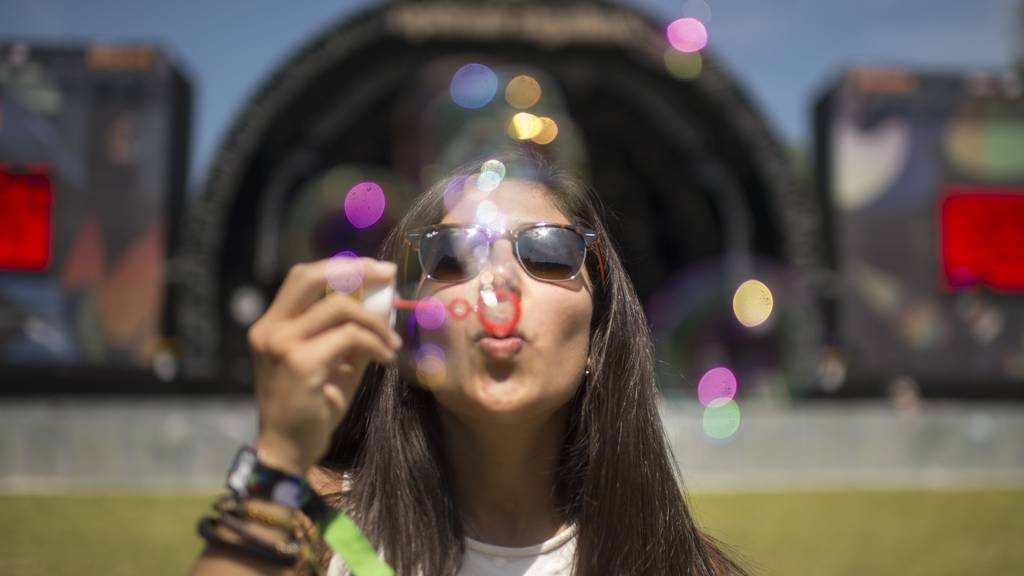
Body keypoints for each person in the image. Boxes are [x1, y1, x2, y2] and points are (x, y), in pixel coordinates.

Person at [190, 150, 746, 576]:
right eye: (452, 256)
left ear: (598, 340)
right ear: (407, 330)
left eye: (548, 250)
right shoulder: (316, 535)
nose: (497, 280)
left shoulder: (687, 567)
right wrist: (279, 457)